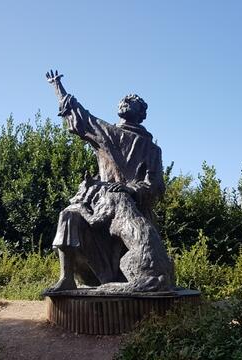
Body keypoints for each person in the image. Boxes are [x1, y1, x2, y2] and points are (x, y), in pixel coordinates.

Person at [46, 70, 174, 292]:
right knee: (68, 215)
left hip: (133, 209)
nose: (126, 101)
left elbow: (156, 186)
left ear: (142, 114)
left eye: (133, 101)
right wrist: (57, 87)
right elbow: (82, 118)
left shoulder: (152, 150)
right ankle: (66, 278)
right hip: (102, 206)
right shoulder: (107, 133)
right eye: (125, 99)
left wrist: (131, 189)